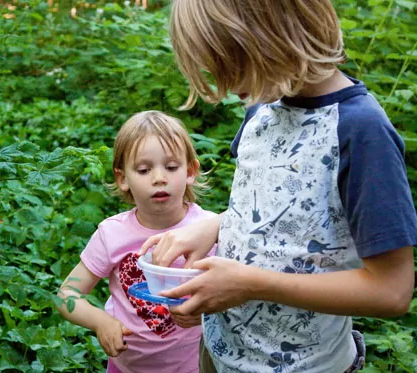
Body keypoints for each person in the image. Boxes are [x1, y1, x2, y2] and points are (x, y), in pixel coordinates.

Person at [139, 1, 417, 372]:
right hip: (220, 353)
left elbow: (392, 291)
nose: (224, 86)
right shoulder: (262, 108)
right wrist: (214, 225)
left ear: (270, 34)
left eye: (228, 65)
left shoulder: (359, 131)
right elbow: (280, 205)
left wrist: (252, 284)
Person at [57, 111, 217, 373]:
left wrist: (208, 313)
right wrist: (101, 322)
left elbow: (238, 297)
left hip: (194, 367)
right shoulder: (112, 234)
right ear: (123, 179)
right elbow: (66, 295)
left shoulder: (209, 230)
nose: (159, 177)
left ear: (190, 171)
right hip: (125, 368)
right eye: (143, 169)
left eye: (171, 167)